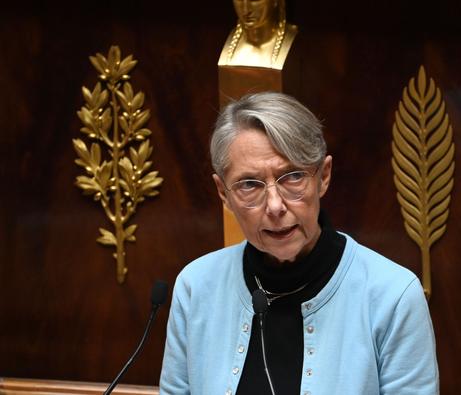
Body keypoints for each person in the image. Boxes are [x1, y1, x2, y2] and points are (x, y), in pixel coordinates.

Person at [159, 92, 439, 394]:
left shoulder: (392, 296)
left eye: (292, 177)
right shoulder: (196, 286)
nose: (275, 206)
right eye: (250, 184)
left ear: (323, 176)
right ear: (224, 193)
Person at [219, 0, 298, 70]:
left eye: (255, 0)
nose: (246, 10)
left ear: (275, 1)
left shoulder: (293, 39)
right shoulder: (231, 44)